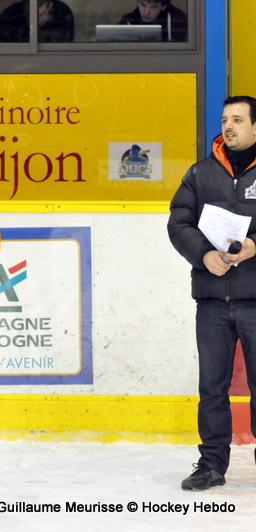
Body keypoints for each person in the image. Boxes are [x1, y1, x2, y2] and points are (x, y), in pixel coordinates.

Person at [167, 95, 256, 491]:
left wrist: (254, 245)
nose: (228, 126)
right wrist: (203, 255)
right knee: (212, 387)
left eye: (238, 119)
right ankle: (211, 464)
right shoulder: (200, 174)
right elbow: (178, 222)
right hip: (213, 301)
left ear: (255, 127)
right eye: (224, 120)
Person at [0, 0, 74, 43]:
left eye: (37, 15)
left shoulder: (62, 15)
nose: (30, 21)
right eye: (27, 14)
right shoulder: (11, 15)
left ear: (49, 6)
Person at [119, 0, 187, 42]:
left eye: (153, 7)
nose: (146, 12)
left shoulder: (176, 19)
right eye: (143, 4)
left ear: (164, 6)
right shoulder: (127, 21)